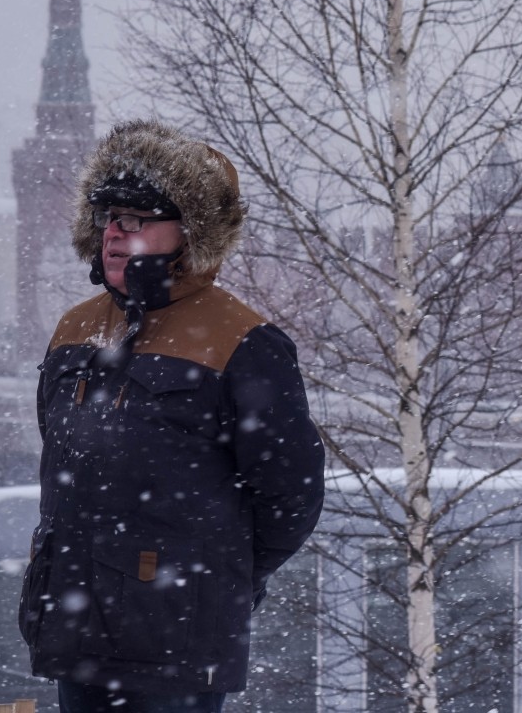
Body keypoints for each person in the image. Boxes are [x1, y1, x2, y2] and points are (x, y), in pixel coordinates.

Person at [19, 120, 326, 713]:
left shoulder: (243, 342)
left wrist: (211, 574)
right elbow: (63, 462)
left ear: (190, 232)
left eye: (136, 219)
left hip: (175, 643)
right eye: (107, 216)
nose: (113, 232)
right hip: (72, 628)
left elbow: (291, 496)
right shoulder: (75, 328)